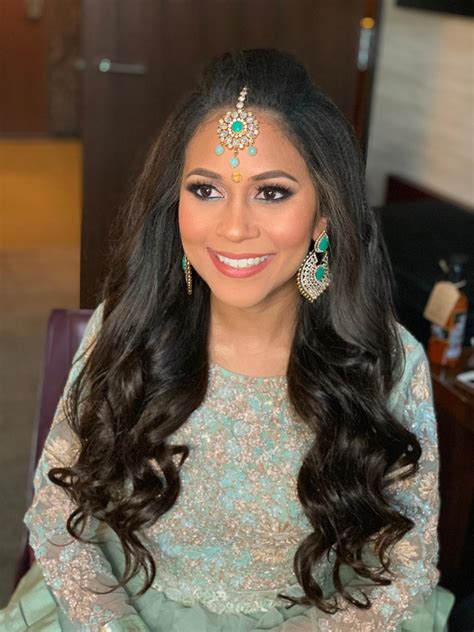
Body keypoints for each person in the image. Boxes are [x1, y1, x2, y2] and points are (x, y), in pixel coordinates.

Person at [1, 49, 455, 632]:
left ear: (324, 215)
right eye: (206, 190)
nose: (234, 228)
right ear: (176, 204)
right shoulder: (130, 326)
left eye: (272, 193)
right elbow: (59, 512)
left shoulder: (387, 360)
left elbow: (405, 562)